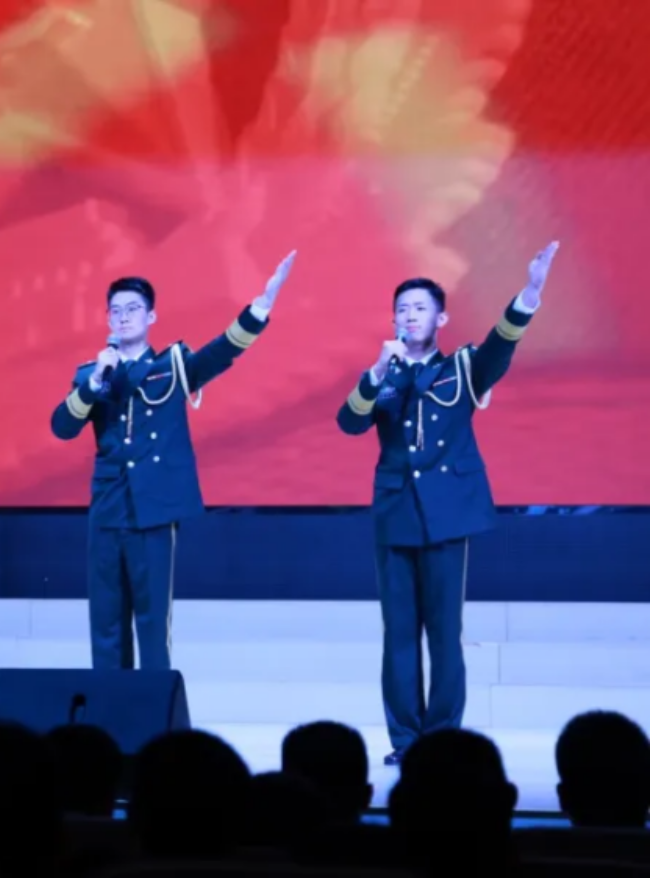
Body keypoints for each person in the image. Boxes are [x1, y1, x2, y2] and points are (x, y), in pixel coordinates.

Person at [335, 241, 559, 765]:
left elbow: (499, 348)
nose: (410, 316)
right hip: (394, 514)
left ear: (441, 318)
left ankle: (441, 740)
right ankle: (405, 740)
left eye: (420, 308)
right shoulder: (385, 373)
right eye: (402, 309)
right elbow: (349, 422)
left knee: (444, 634)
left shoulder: (461, 368)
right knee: (398, 635)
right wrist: (375, 372)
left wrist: (529, 293)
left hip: (447, 514)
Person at [50, 251, 297, 671]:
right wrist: (93, 384)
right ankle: (110, 707)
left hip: (155, 508)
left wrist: (260, 307)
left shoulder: (174, 365)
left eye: (133, 309)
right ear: (108, 319)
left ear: (151, 316)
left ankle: (152, 707)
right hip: (108, 508)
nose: (124, 317)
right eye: (116, 311)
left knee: (152, 623)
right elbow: (62, 427)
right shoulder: (92, 373)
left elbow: (221, 352)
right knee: (106, 622)